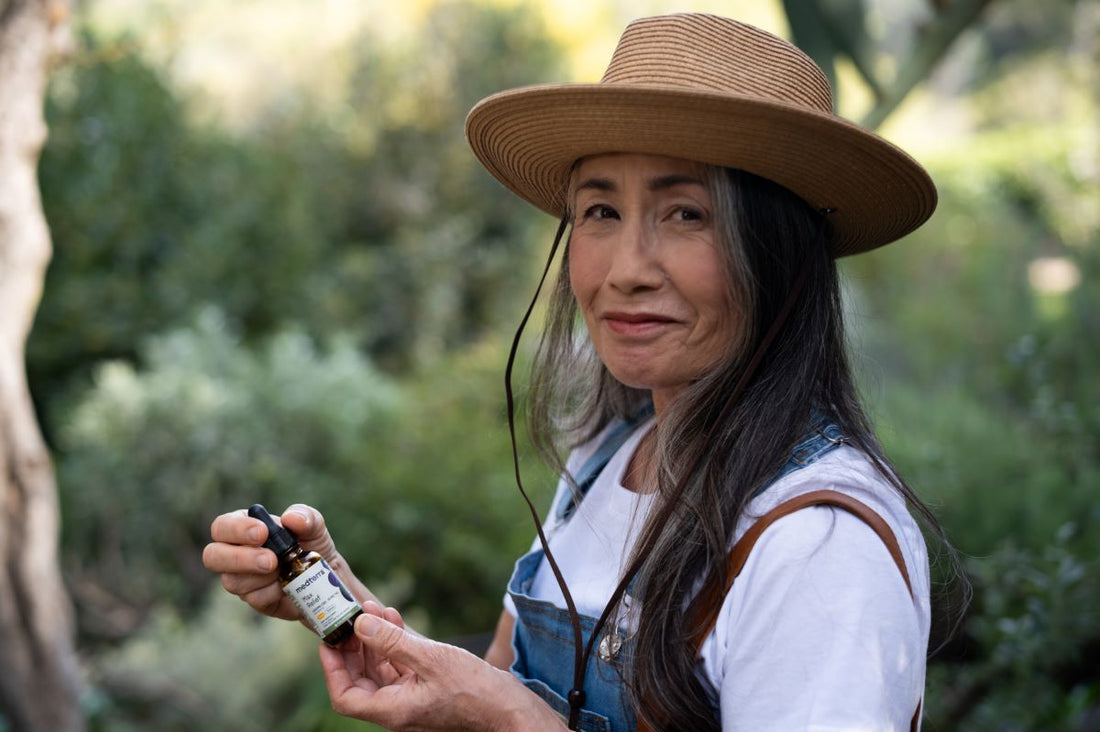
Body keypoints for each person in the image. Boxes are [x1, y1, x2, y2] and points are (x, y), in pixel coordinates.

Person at [203, 13, 954, 731]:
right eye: (600, 212)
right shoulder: (607, 460)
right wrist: (337, 600)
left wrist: (512, 719)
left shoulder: (819, 544)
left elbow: (507, 718)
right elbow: (490, 700)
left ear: (781, 255)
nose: (626, 270)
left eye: (686, 214)